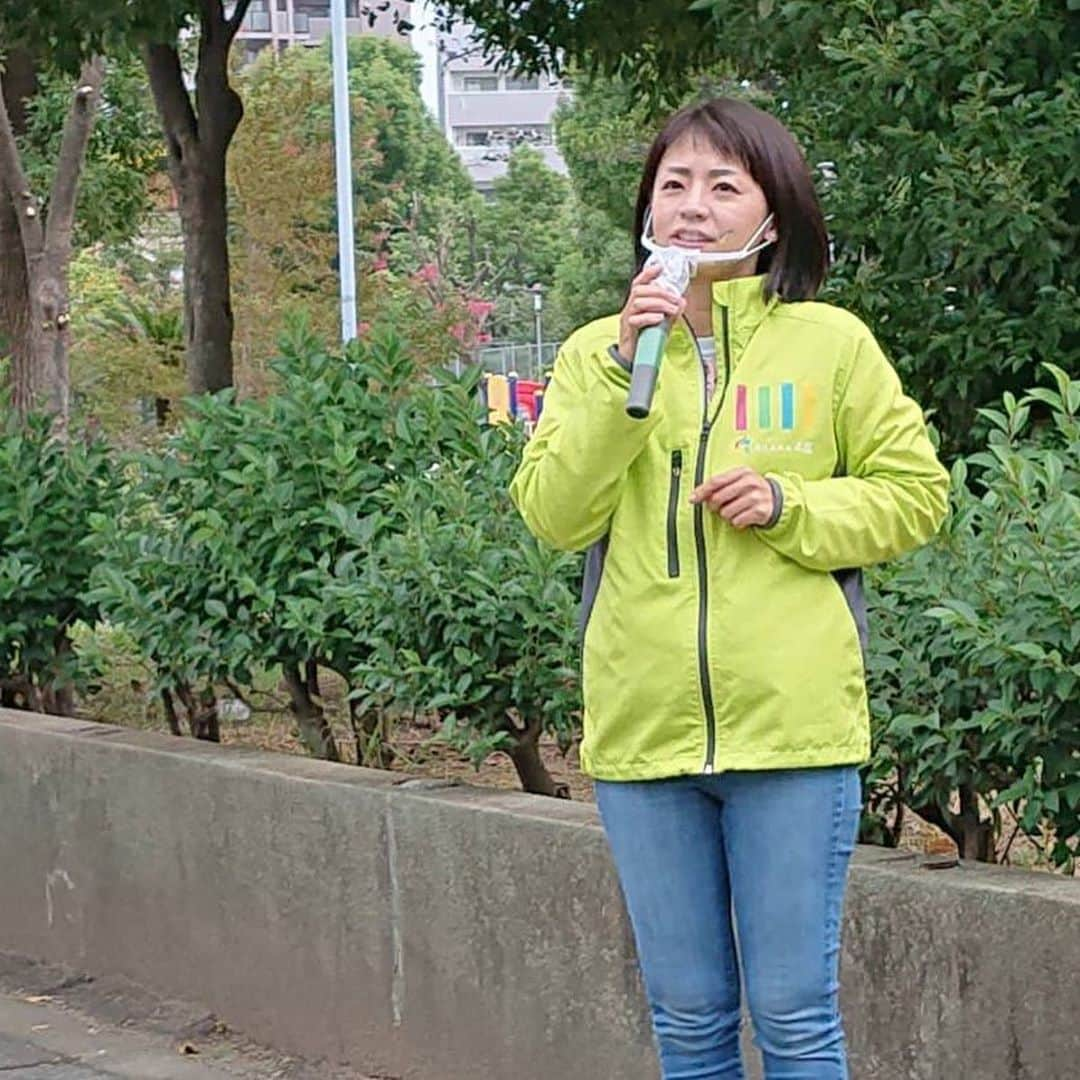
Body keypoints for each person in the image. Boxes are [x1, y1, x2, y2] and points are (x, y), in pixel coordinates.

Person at [509, 97, 949, 1079]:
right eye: (673, 185)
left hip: (792, 738)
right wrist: (630, 363)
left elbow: (916, 498)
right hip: (643, 739)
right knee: (690, 1020)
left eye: (722, 185)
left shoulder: (830, 346)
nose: (693, 207)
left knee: (795, 1019)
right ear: (645, 214)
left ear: (772, 218)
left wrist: (792, 505)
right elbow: (553, 513)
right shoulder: (594, 354)